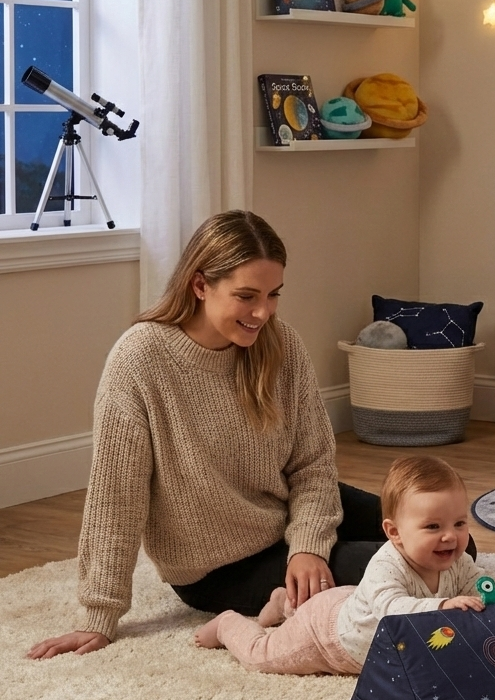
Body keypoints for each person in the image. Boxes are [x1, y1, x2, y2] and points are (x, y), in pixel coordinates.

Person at [28, 210, 435, 660]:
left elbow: (312, 464)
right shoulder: (140, 360)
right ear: (200, 285)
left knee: (444, 539)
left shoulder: (282, 345)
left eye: (273, 295)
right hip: (219, 569)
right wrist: (98, 616)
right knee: (418, 566)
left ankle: (306, 588)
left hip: (281, 514)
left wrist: (308, 547)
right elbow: (116, 495)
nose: (263, 312)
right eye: (246, 296)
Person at [194, 456, 495, 675]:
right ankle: (227, 624)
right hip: (328, 636)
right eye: (432, 527)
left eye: (459, 523)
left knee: (336, 601)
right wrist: (443, 606)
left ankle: (286, 601)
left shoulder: (457, 560)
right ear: (394, 533)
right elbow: (391, 611)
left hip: (347, 600)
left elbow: (476, 585)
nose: (450, 537)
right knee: (262, 655)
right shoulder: (385, 566)